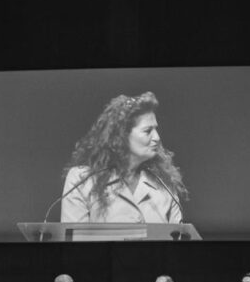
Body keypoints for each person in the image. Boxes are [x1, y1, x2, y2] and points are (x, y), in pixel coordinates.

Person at [60, 92, 188, 224]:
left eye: (156, 129)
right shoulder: (81, 180)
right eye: (148, 131)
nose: (157, 137)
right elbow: (74, 235)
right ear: (122, 136)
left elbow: (178, 235)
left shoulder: (165, 184)